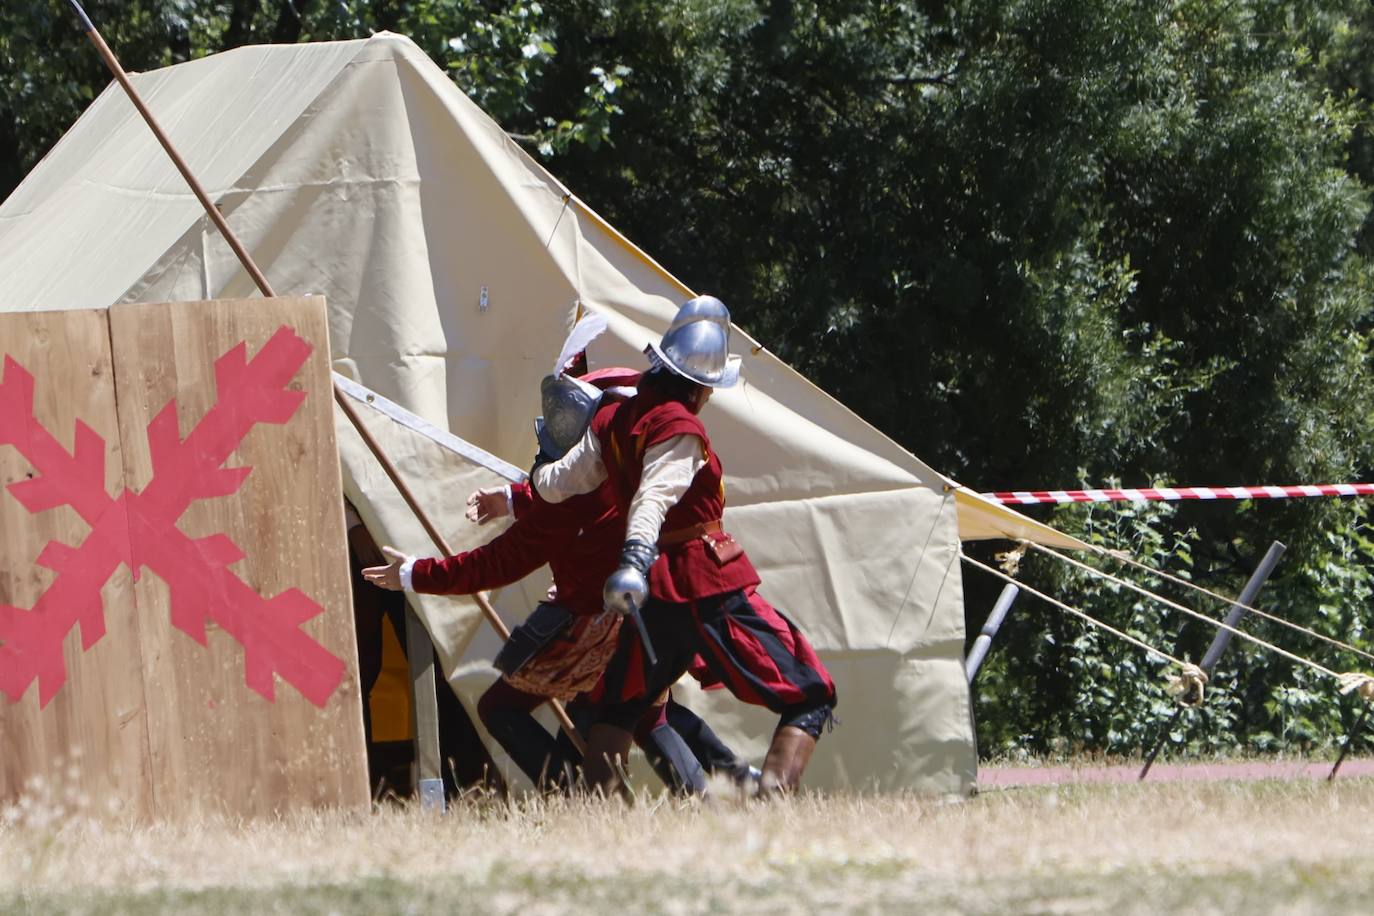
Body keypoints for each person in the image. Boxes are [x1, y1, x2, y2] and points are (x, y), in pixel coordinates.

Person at [363, 368, 752, 794]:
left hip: (593, 619)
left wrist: (412, 573)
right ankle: (700, 801)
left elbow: (497, 560)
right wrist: (514, 499)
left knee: (505, 708)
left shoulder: (565, 504)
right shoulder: (627, 469)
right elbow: (575, 490)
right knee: (645, 716)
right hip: (651, 609)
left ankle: (573, 798)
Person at [532, 295, 838, 795]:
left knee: (620, 707)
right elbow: (654, 499)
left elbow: (562, 481)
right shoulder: (679, 427)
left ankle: (589, 815)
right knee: (811, 693)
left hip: (653, 590)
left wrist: (539, 471)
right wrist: (633, 555)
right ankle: (773, 803)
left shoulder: (614, 417)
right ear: (699, 386)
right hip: (701, 579)